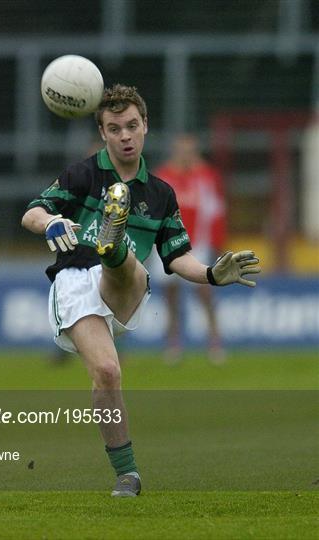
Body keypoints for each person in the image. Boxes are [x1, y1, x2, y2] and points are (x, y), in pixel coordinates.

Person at [21, 84, 260, 497]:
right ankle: (127, 474)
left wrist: (212, 274)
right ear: (104, 133)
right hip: (75, 282)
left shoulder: (161, 194)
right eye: (115, 129)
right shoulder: (82, 174)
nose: (126, 135)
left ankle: (113, 245)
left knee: (123, 261)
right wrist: (51, 223)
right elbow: (32, 212)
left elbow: (177, 256)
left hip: (123, 282)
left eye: (132, 126)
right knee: (108, 373)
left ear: (145, 126)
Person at [150, 133, 227, 363]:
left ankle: (214, 340)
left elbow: (216, 212)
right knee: (170, 295)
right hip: (166, 244)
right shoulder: (162, 177)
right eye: (181, 151)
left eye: (189, 151)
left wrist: (217, 243)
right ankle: (173, 343)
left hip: (197, 244)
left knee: (204, 292)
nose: (185, 156)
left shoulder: (206, 176)